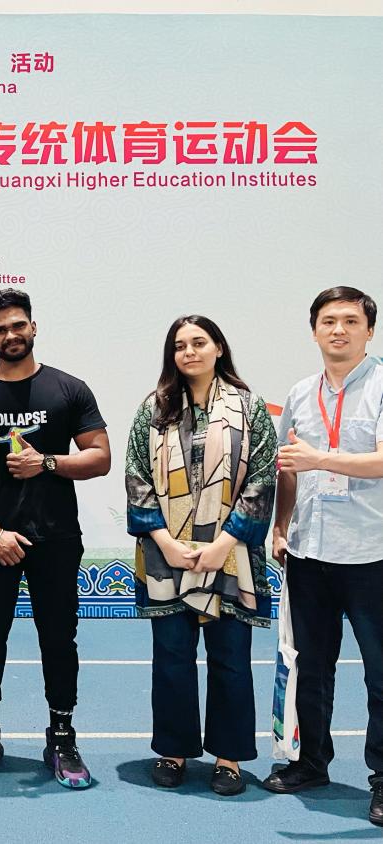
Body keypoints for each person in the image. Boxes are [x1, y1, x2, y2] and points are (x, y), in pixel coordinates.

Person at [0, 288, 110, 790]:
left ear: (33, 327)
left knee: (58, 638)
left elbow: (100, 456)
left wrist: (48, 462)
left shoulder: (68, 390)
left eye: (18, 325)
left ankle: (61, 735)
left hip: (55, 536)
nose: (10, 334)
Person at [125, 316, 276, 796]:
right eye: (179, 345)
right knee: (171, 657)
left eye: (198, 342)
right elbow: (136, 478)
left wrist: (223, 544)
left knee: (230, 659)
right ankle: (174, 752)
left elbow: (263, 479)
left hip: (230, 557)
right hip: (165, 556)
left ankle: (228, 758)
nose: (189, 351)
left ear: (218, 348)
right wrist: (168, 543)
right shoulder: (153, 408)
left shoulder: (249, 407)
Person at [264, 287, 383, 827]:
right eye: (329, 321)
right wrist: (281, 526)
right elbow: (289, 467)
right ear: (314, 331)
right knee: (311, 666)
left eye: (351, 321)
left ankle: (382, 779)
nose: (339, 330)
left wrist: (321, 458)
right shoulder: (300, 392)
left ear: (369, 331)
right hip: (310, 551)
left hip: (372, 554)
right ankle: (311, 762)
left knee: (381, 674)